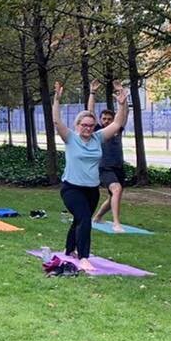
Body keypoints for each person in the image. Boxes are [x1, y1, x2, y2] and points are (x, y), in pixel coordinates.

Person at [51, 81, 130, 270]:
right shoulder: (70, 138)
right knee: (85, 219)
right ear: (77, 125)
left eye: (90, 125)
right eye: (84, 125)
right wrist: (57, 99)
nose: (87, 128)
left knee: (80, 219)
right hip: (71, 188)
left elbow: (118, 123)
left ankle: (69, 249)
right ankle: (84, 257)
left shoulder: (98, 137)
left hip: (92, 190)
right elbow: (56, 121)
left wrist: (122, 104)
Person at [85, 83, 129, 232]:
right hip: (104, 167)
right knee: (116, 190)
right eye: (104, 119)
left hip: (118, 167)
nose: (106, 121)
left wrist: (121, 95)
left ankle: (97, 217)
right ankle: (117, 223)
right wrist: (92, 93)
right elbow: (90, 112)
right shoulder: (97, 131)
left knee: (114, 196)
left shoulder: (117, 129)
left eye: (109, 119)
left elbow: (124, 114)